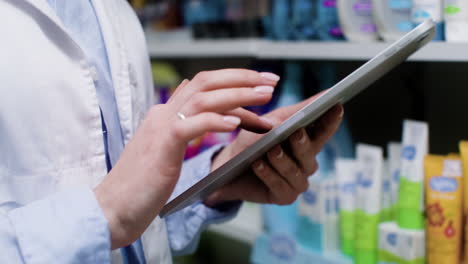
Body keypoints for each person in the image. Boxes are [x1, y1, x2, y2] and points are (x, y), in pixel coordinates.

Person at [0, 0, 343, 263]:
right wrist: (105, 214)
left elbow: (135, 215)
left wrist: (215, 177)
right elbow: (113, 210)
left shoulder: (117, 13)